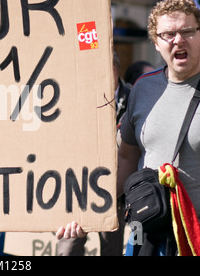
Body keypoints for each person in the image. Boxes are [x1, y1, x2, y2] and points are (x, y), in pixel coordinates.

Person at [57, 0, 200, 256]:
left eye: (187, 31)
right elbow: (127, 157)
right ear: (155, 42)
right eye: (168, 34)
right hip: (148, 235)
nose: (178, 40)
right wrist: (90, 210)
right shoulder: (143, 87)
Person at [56, 53, 130, 256]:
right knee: (69, 247)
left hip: (116, 193)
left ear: (112, 71)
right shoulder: (76, 95)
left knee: (112, 249)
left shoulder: (134, 98)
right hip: (77, 187)